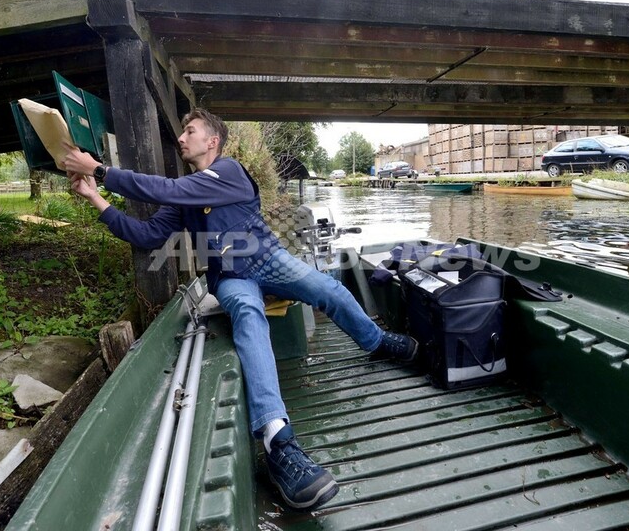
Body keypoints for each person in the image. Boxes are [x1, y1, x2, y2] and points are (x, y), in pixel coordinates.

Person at [63, 108, 418, 512]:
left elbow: (169, 190)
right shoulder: (185, 194)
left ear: (212, 141)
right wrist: (94, 195)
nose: (181, 138)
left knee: (327, 288)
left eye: (189, 131)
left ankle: (375, 341)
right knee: (248, 314)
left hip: (268, 258)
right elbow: (144, 235)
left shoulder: (229, 171)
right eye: (181, 131)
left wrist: (102, 170)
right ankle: (277, 440)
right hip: (231, 277)